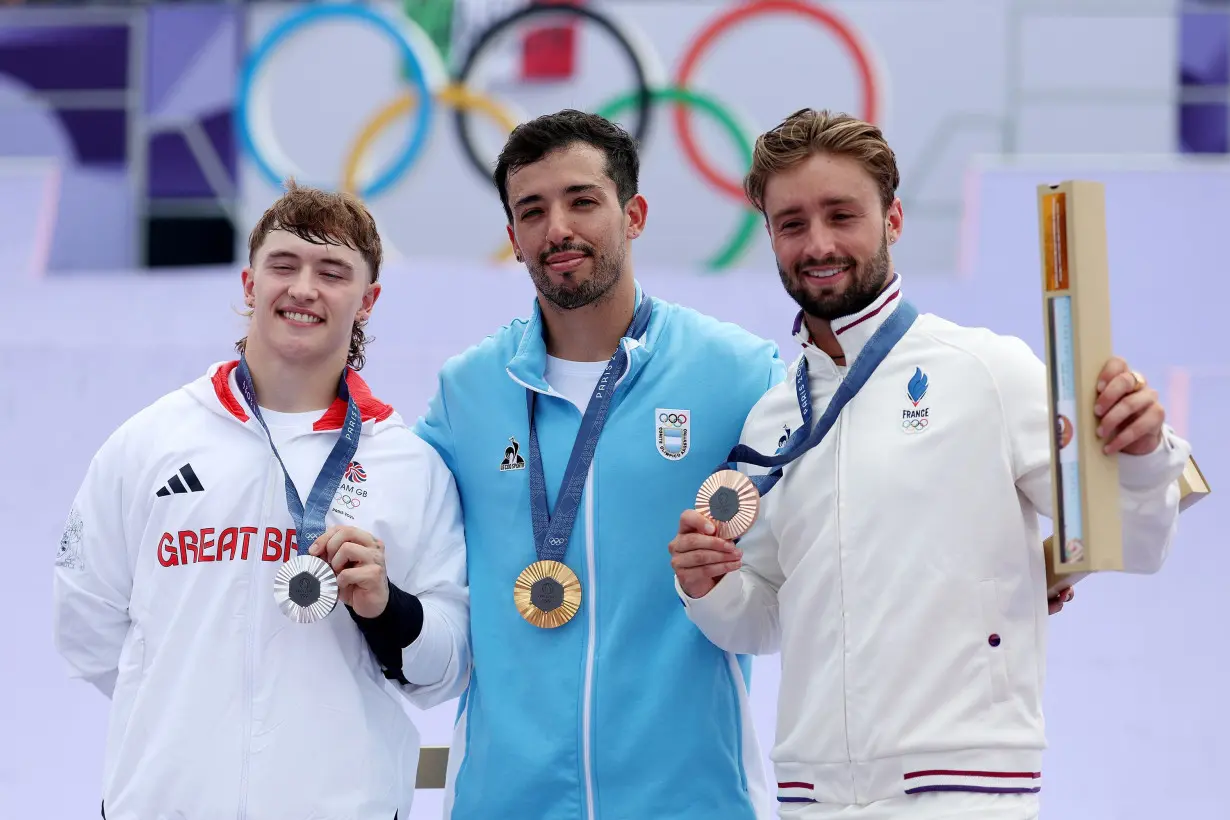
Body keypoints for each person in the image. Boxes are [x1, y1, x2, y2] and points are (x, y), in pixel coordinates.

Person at [669, 108, 1193, 819]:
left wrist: (1140, 457)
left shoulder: (986, 370)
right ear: (770, 236)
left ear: (894, 219)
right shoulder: (773, 417)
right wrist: (710, 589)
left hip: (963, 793)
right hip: (810, 794)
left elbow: (1127, 540)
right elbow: (766, 621)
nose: (818, 243)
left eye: (841, 214)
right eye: (792, 223)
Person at [52, 183, 470, 820]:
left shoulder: (407, 465)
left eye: (333, 272)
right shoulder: (151, 441)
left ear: (368, 301)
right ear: (249, 285)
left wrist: (388, 609)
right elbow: (86, 622)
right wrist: (183, 715)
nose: (304, 288)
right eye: (284, 266)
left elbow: (447, 668)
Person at [413, 109, 785, 819]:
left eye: (582, 201)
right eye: (533, 210)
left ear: (634, 213)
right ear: (513, 237)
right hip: (505, 802)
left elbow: (840, 500)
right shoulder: (467, 391)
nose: (558, 229)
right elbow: (384, 505)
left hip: (693, 799)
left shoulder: (736, 373)